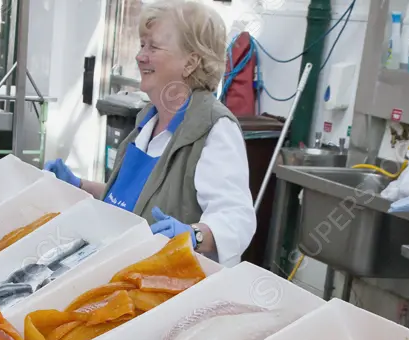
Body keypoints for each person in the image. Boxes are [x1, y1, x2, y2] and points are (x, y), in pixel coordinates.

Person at [44, 0, 256, 265]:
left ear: (190, 62)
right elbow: (131, 203)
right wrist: (80, 186)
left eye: (153, 47)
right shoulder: (148, 119)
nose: (140, 56)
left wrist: (194, 236)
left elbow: (237, 218)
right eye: (142, 44)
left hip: (170, 287)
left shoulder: (214, 127)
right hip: (119, 265)